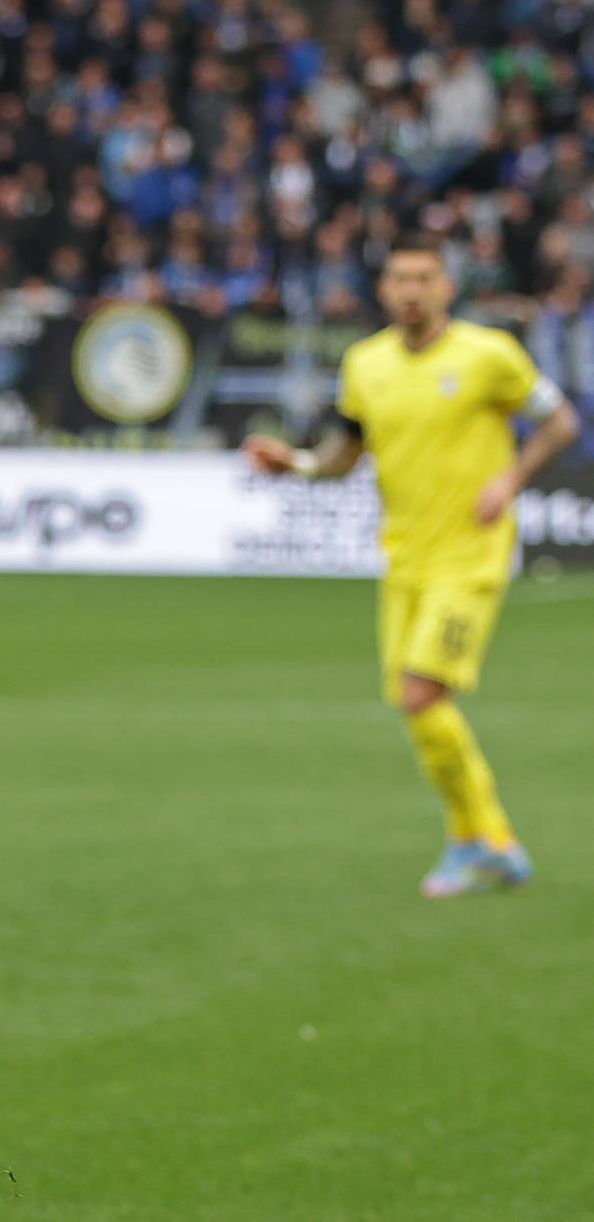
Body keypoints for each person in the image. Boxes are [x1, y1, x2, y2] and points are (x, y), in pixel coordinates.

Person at [243, 235, 581, 897]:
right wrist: (298, 464)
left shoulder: (489, 356)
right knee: (413, 705)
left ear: (445, 288)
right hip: (403, 558)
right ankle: (474, 840)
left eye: (423, 277)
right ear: (382, 290)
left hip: (469, 556)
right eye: (399, 278)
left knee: (424, 694)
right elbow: (346, 455)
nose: (410, 290)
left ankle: (490, 838)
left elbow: (560, 422)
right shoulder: (364, 364)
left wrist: (509, 479)